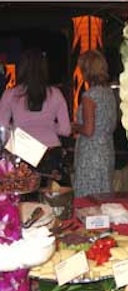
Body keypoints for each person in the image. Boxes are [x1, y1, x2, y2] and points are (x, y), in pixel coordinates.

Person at [0, 48, 71, 184]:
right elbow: (65, 130)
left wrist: (18, 127)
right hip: (51, 154)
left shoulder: (10, 95)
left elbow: (2, 128)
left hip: (22, 153)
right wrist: (48, 125)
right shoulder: (55, 94)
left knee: (24, 200)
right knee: (53, 199)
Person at [72, 50, 117, 197]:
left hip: (91, 153)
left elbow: (89, 129)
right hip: (107, 149)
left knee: (88, 198)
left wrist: (74, 126)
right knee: (103, 194)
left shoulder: (89, 96)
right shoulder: (109, 93)